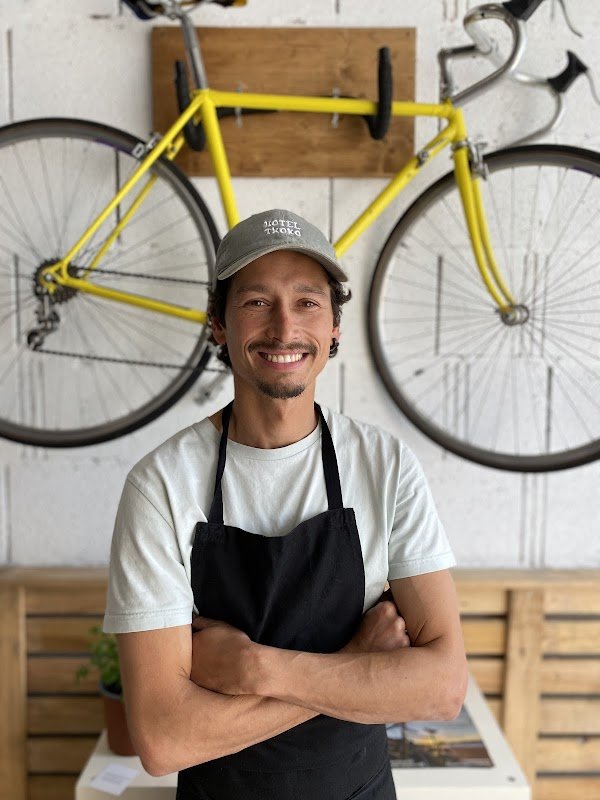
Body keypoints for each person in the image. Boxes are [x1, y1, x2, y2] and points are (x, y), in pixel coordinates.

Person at [103, 208, 468, 800]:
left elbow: (442, 689)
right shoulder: (161, 486)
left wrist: (257, 670)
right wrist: (356, 664)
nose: (283, 328)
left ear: (334, 328)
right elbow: (165, 739)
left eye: (307, 302)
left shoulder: (385, 465)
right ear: (217, 325)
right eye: (255, 303)